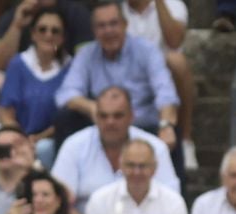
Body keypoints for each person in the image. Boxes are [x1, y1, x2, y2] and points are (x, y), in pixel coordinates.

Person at [55, 0, 176, 148]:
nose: (108, 31)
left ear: (125, 24)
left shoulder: (146, 50)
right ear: (94, 30)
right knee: (65, 117)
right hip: (103, 124)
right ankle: (64, 170)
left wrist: (165, 125)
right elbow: (66, 93)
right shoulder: (87, 54)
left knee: (170, 127)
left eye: (113, 24)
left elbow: (165, 91)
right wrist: (93, 108)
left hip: (142, 124)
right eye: (102, 26)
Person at [50, 84, 174, 207]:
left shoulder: (156, 148)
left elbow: (171, 200)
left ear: (131, 116)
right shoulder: (73, 146)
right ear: (95, 116)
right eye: (104, 116)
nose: (110, 122)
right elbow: (58, 203)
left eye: (118, 116)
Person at [0, 0, 70, 165]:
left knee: (44, 148)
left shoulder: (70, 68)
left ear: (63, 38)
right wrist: (21, 139)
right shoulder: (18, 64)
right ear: (33, 34)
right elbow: (6, 112)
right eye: (42, 29)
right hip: (18, 136)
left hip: (53, 140)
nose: (48, 35)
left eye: (55, 31)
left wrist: (37, 139)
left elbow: (66, 119)